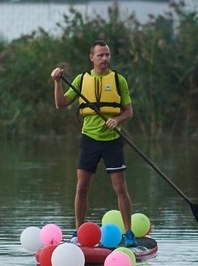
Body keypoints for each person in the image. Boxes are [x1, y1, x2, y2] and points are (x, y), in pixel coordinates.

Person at [51, 41, 136, 247]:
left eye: (107, 55)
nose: (105, 59)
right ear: (92, 58)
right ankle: (79, 231)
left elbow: (128, 111)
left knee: (120, 188)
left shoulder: (118, 80)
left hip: (112, 141)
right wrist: (57, 82)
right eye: (100, 55)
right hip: (89, 139)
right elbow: (60, 104)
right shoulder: (81, 80)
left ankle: (129, 232)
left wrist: (117, 120)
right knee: (81, 187)